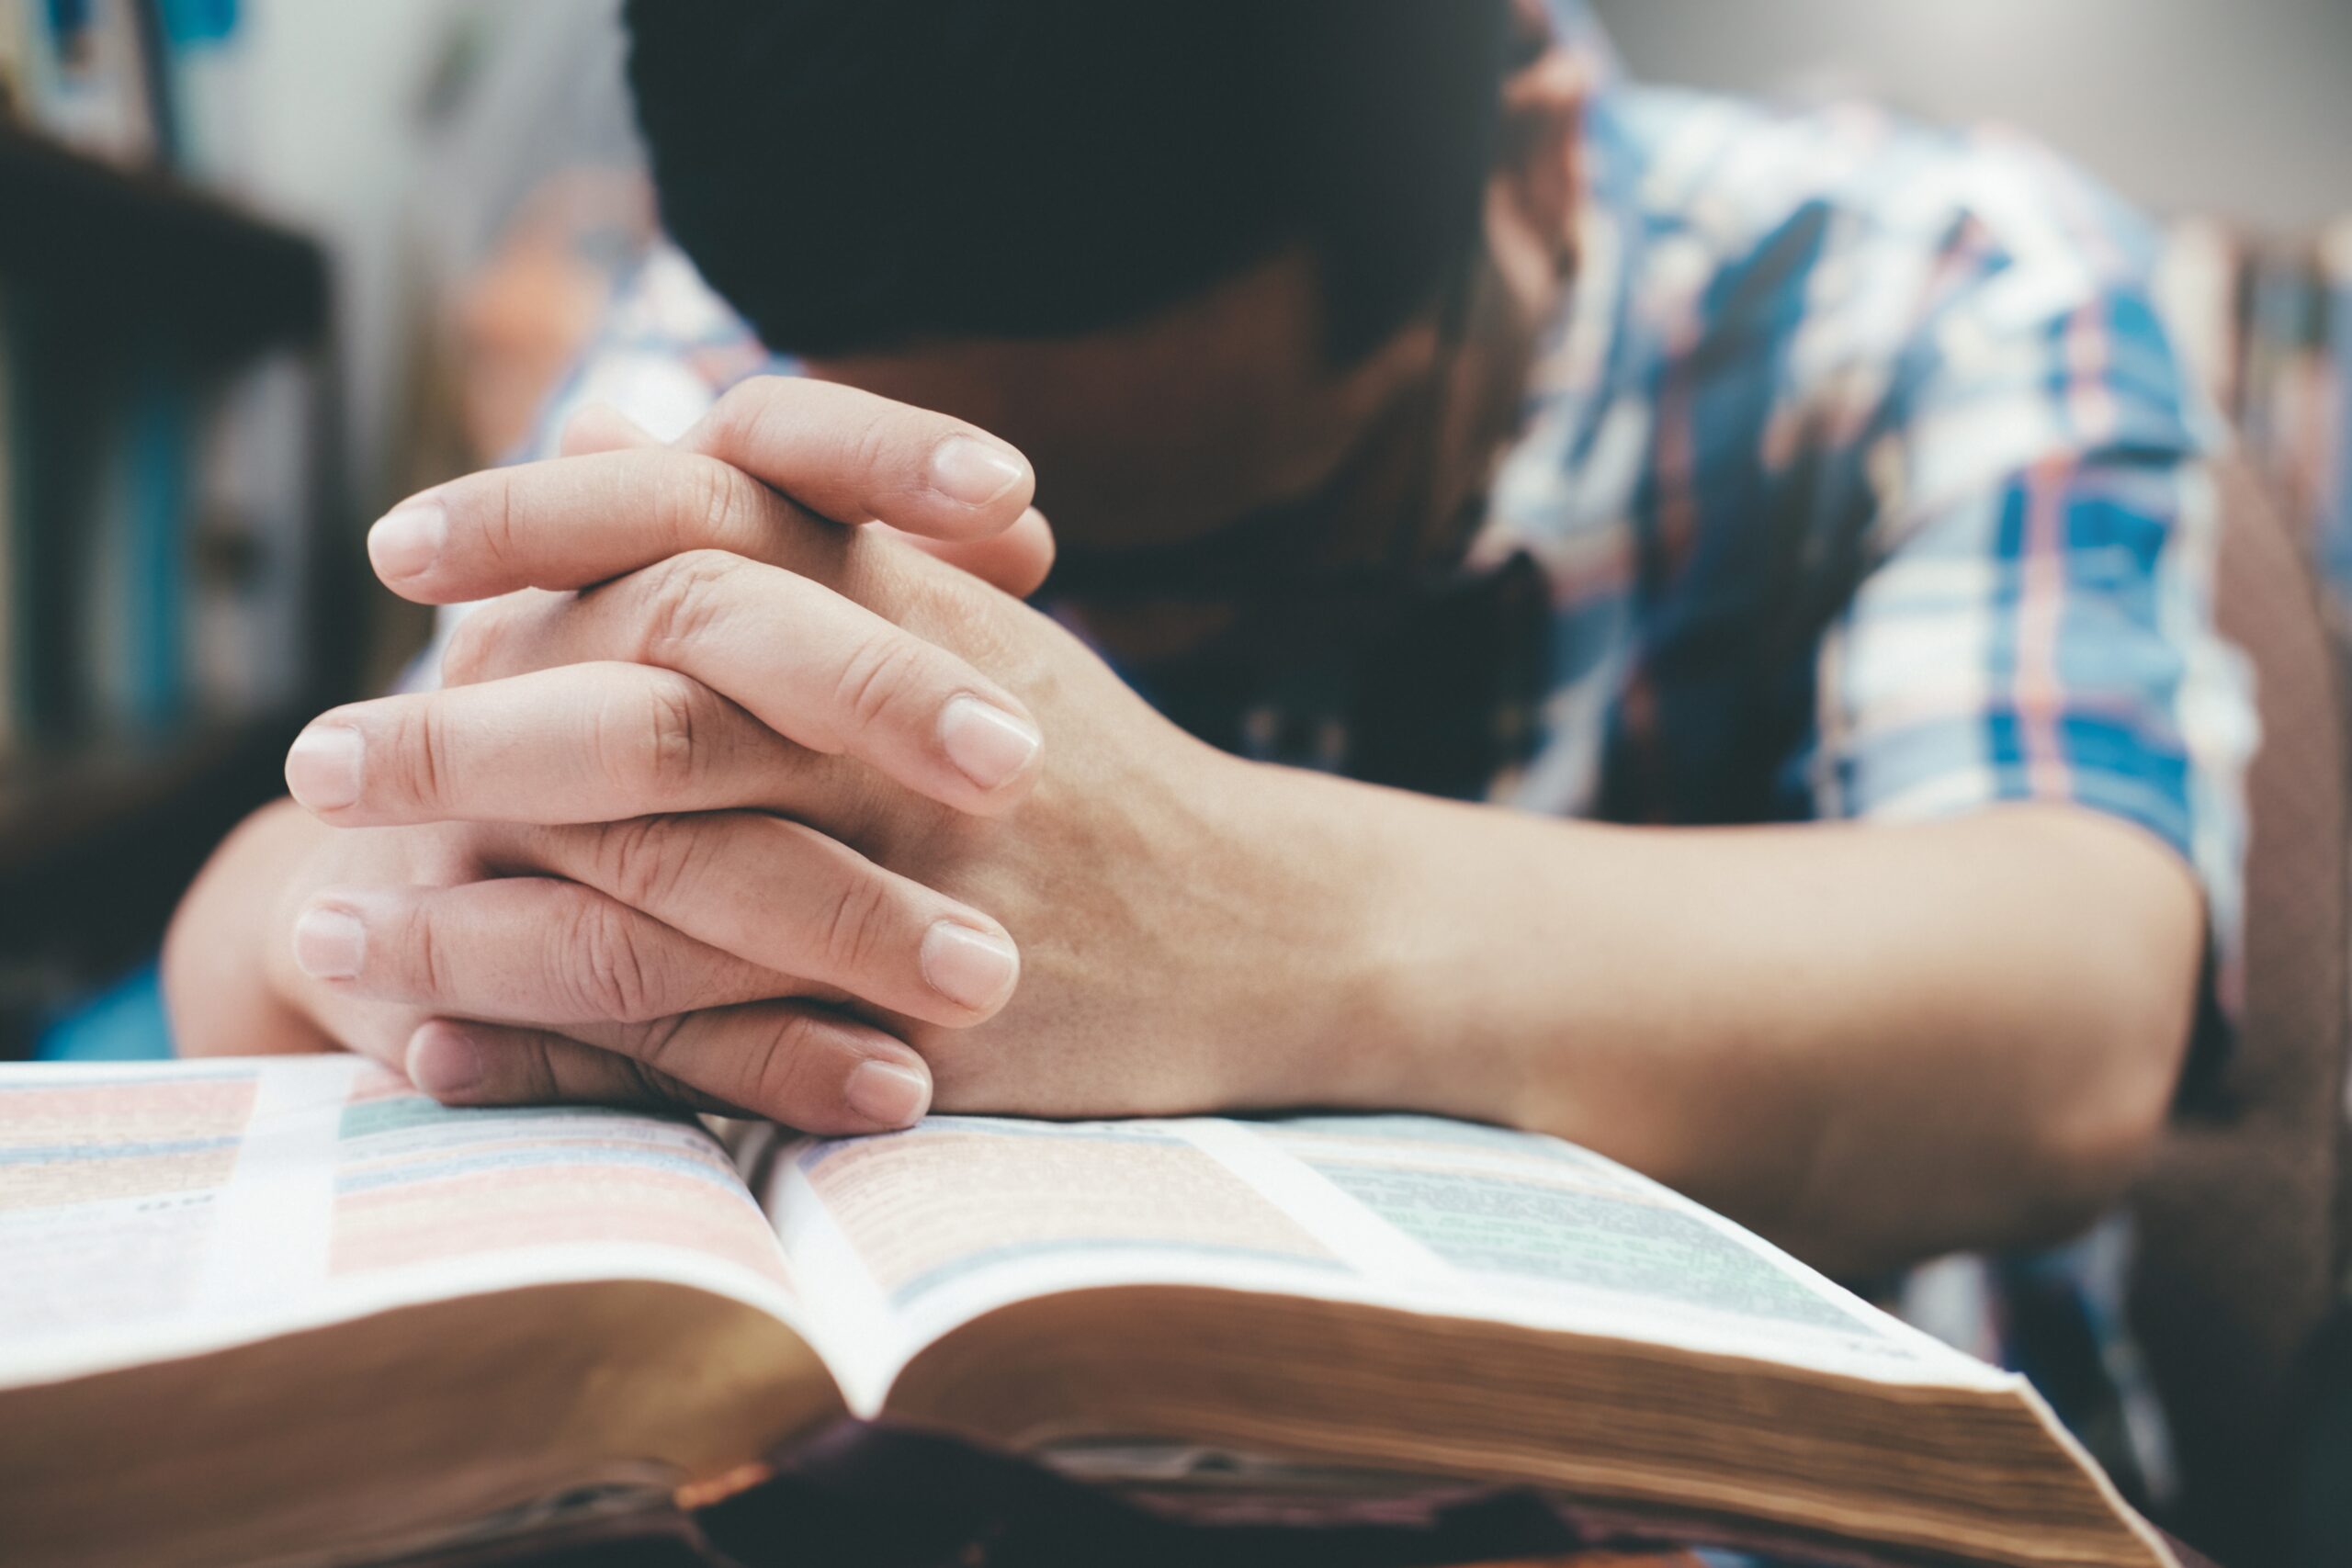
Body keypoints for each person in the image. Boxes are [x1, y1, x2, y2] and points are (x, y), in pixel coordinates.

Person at [165, 0, 2253, 1487]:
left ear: (1525, 158)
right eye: (1000, 548)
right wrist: (432, 890)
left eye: (1262, 536)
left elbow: (2068, 1012)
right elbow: (251, 931)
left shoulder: (1939, 282)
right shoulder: (776, 326)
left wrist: (1214, 907)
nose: (1109, 630)